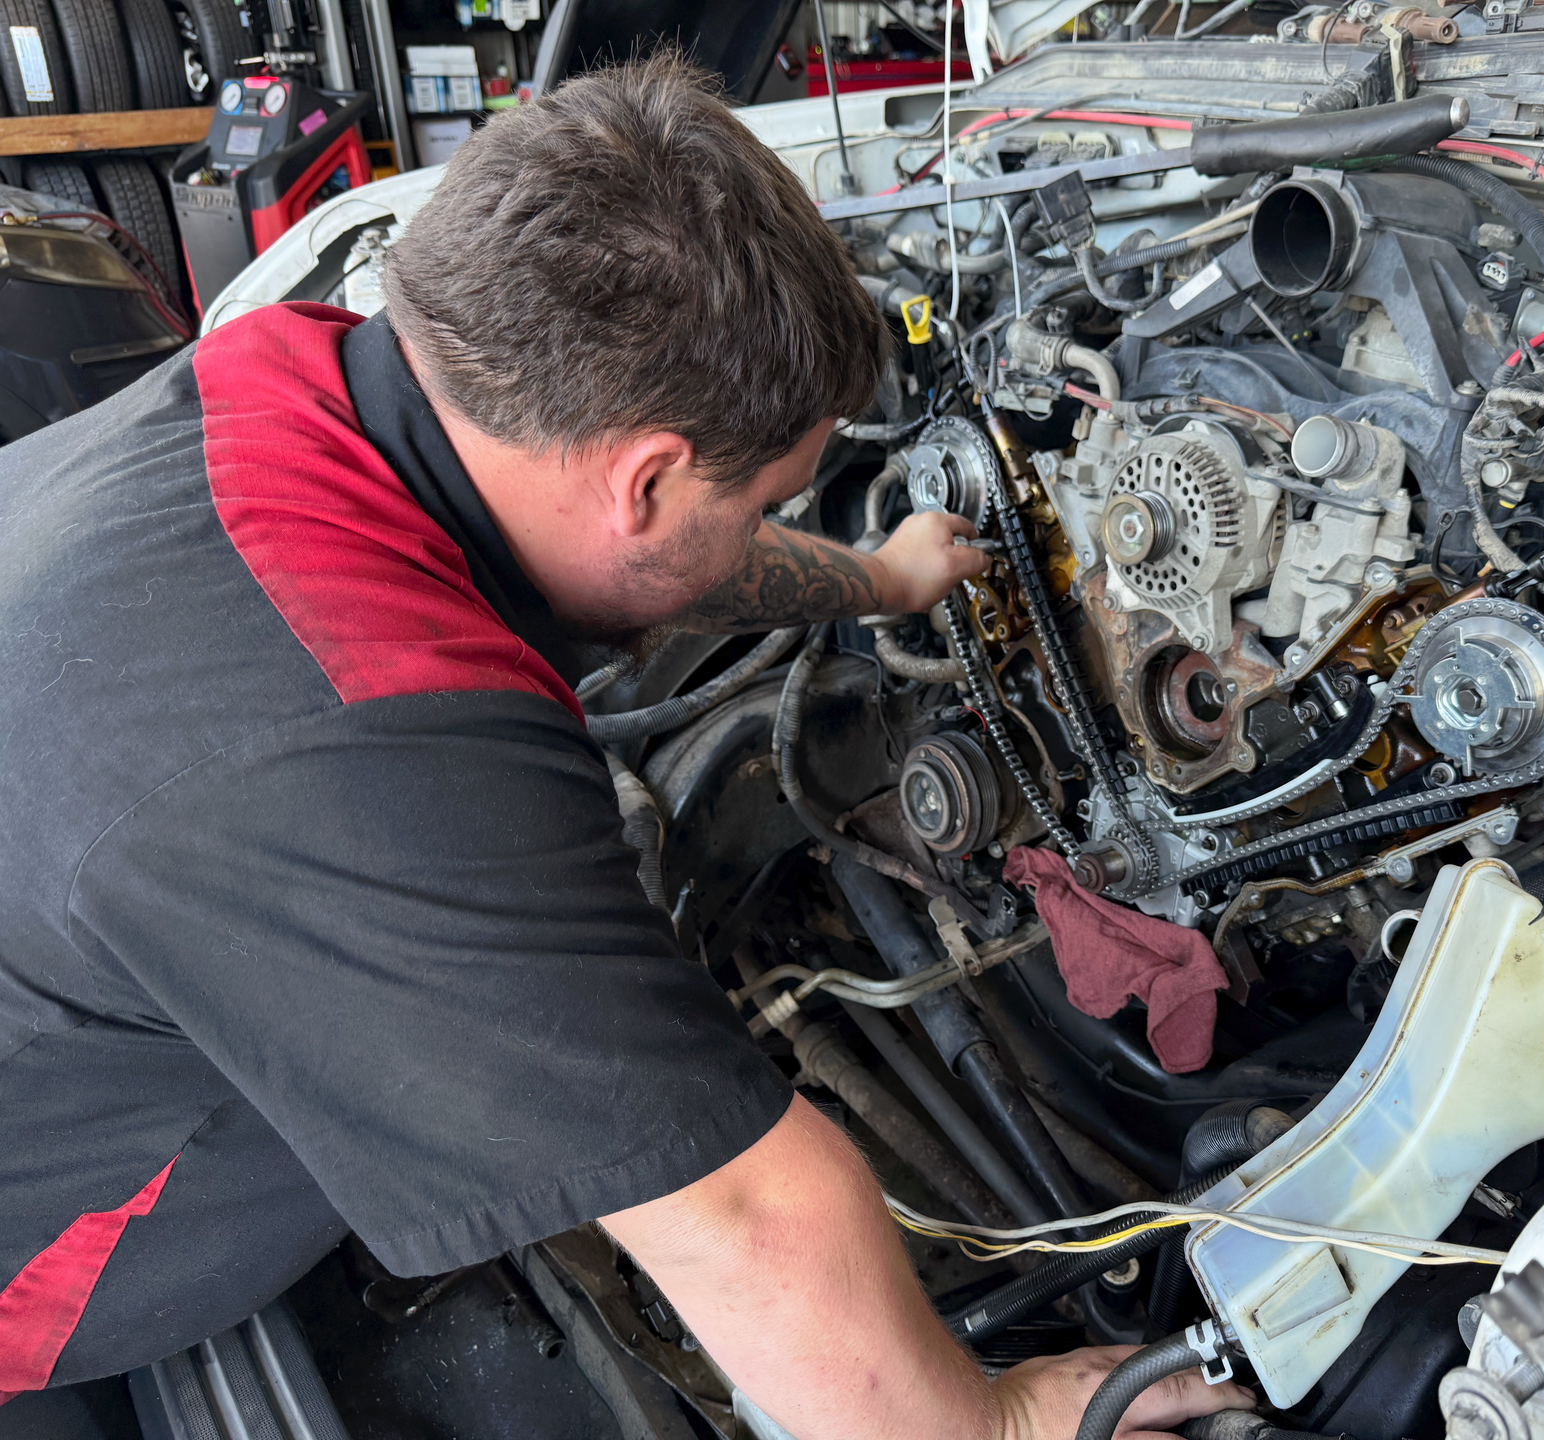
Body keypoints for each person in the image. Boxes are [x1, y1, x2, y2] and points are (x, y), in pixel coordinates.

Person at [0, 55, 1253, 1439]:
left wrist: (878, 580)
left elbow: (646, 552)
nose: (767, 522)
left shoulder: (292, 379)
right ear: (647, 477)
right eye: (765, 499)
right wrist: (999, 1421)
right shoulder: (367, 738)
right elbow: (745, 1213)